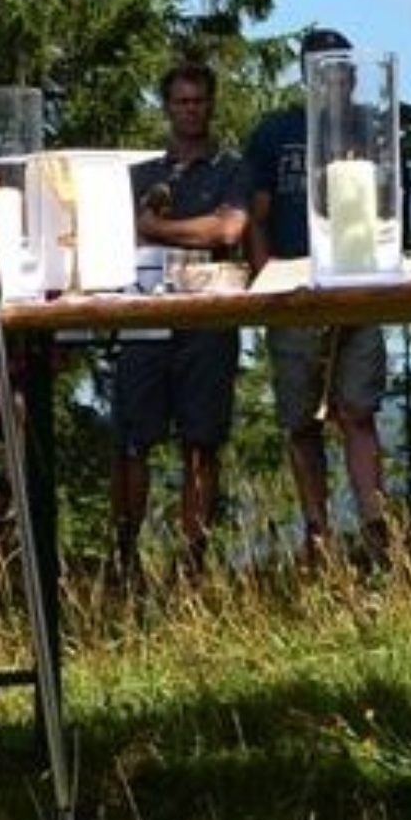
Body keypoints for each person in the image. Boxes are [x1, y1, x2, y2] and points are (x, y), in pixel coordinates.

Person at [245, 27, 392, 566]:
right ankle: (317, 532)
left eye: (341, 67)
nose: (333, 78)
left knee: (358, 407)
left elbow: (390, 201)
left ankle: (376, 528)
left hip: (357, 284)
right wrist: (268, 282)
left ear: (353, 73)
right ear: (306, 75)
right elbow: (256, 214)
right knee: (299, 417)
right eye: (321, 69)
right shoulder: (273, 132)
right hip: (294, 287)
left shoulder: (371, 126)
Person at [110, 62, 251, 583]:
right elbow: (121, 234)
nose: (191, 110)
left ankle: (191, 565)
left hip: (208, 319)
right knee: (131, 439)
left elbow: (228, 229)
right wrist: (178, 230)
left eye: (199, 101)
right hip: (144, 313)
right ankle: (124, 559)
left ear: (211, 104)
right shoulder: (141, 174)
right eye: (181, 101)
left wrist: (156, 229)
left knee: (201, 441)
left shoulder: (231, 170)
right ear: (166, 108)